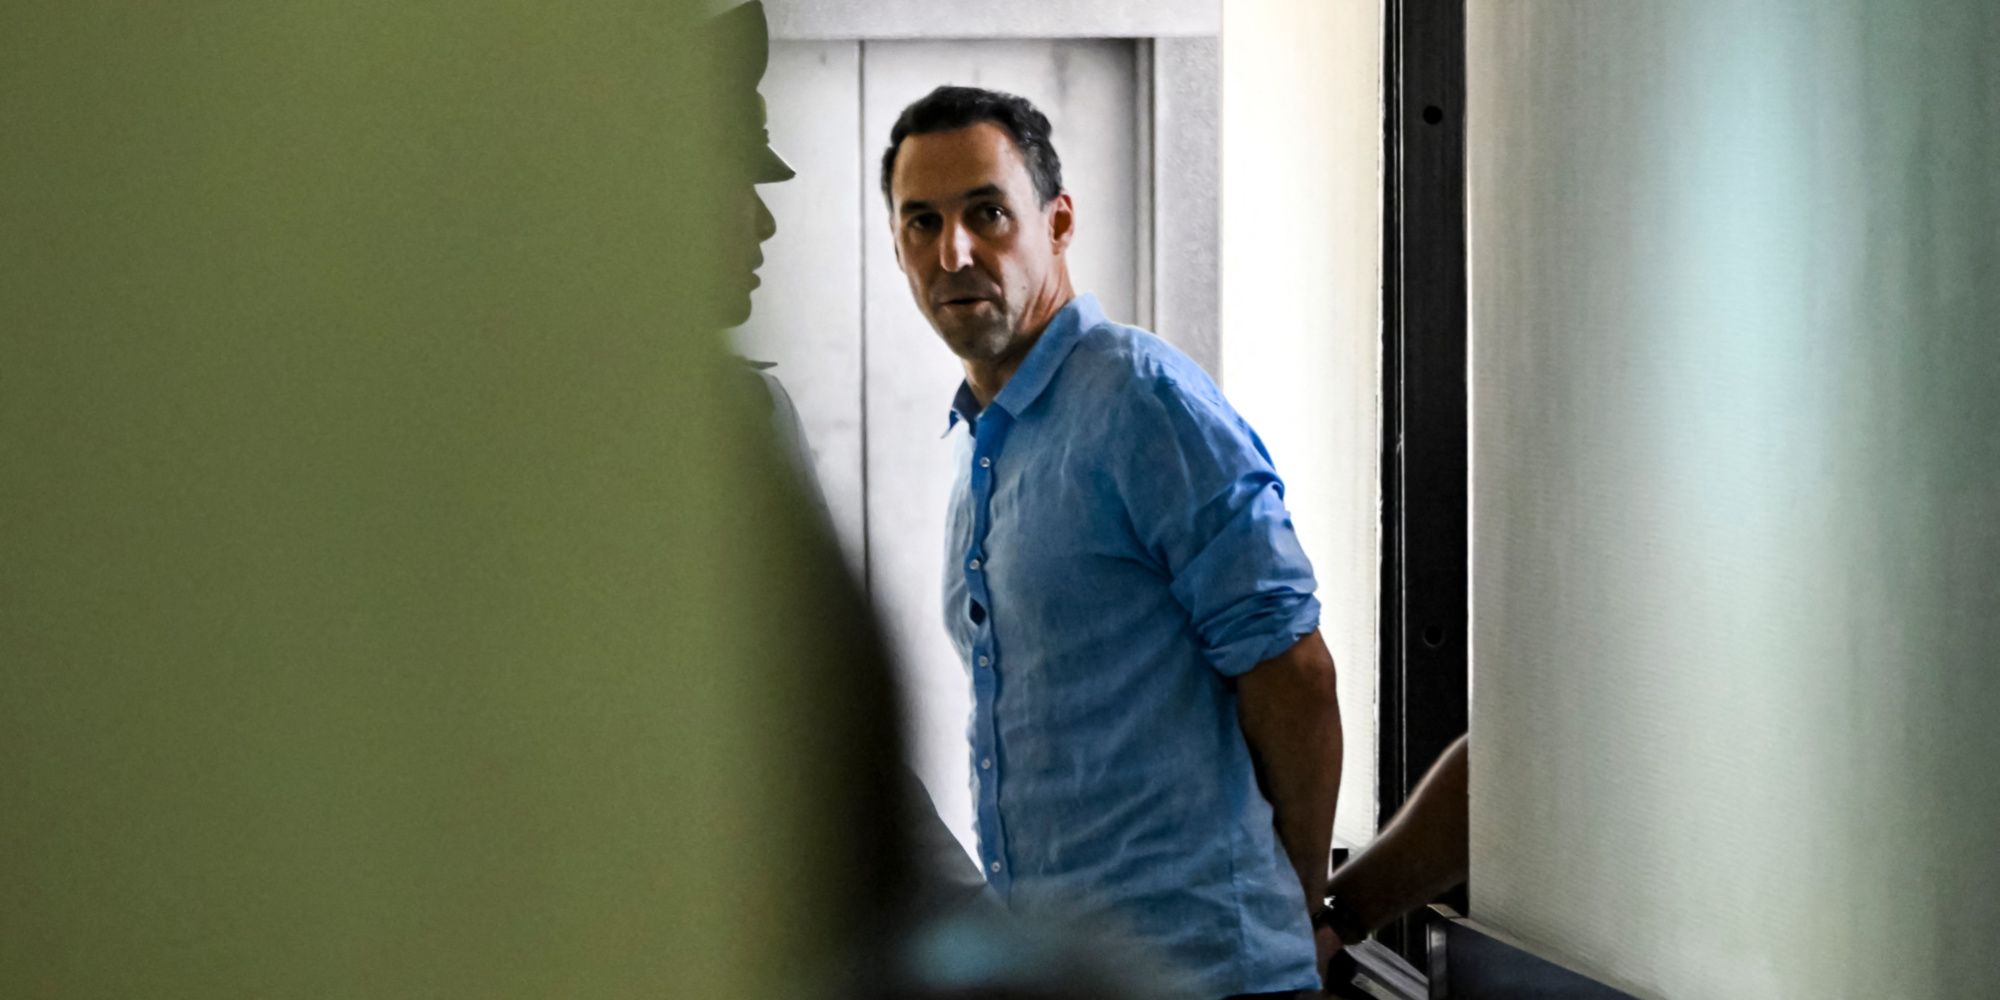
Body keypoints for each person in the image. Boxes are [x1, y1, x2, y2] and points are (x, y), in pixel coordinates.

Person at [880, 85, 1345, 1000]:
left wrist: (1291, 909)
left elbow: (1294, 672)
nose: (954, 252)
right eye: (921, 222)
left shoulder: (1141, 399)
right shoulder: (986, 444)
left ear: (1057, 223)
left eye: (987, 212)